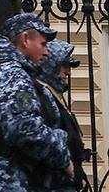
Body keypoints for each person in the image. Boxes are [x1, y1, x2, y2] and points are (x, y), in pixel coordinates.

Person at [0, 13, 72, 192]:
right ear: (25, 39)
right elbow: (24, 128)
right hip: (7, 179)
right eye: (43, 44)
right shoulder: (10, 71)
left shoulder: (7, 68)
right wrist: (62, 154)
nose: (47, 52)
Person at [35, 40, 88, 192]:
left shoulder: (52, 95)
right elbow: (40, 139)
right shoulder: (41, 95)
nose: (68, 72)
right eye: (64, 65)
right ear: (50, 65)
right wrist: (70, 169)